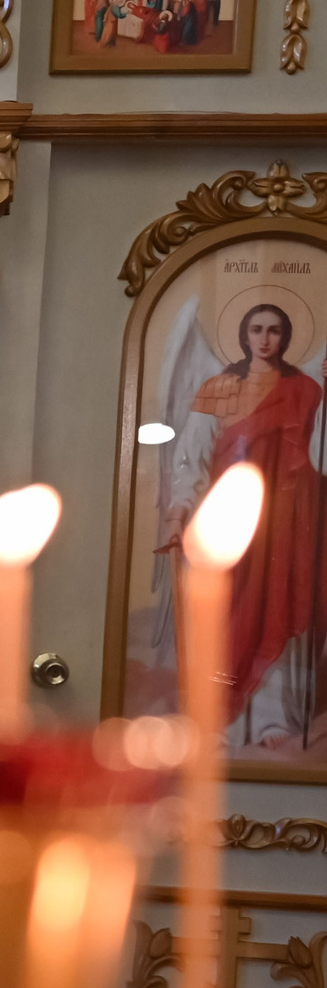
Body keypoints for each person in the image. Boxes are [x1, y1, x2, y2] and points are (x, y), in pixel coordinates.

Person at [157, 303, 323, 750]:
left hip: (286, 526)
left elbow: (320, 453)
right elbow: (191, 456)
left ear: (286, 337)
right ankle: (216, 718)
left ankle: (271, 719)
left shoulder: (307, 389)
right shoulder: (218, 388)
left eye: (274, 330)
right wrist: (177, 516)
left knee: (277, 610)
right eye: (257, 329)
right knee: (227, 616)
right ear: (244, 335)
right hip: (226, 528)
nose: (265, 338)